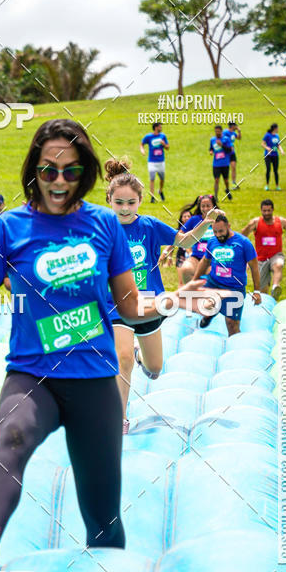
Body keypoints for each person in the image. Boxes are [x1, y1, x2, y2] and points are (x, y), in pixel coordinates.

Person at [0, 118, 170, 563]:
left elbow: (128, 306)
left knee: (102, 513)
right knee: (14, 434)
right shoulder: (9, 229)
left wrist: (175, 301)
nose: (59, 181)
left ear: (84, 174)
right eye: (49, 170)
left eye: (70, 171)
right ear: (34, 171)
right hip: (32, 374)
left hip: (95, 378)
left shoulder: (105, 225)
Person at [104, 158, 220, 431]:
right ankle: (120, 418)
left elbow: (186, 240)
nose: (125, 208)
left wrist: (206, 222)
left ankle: (141, 355)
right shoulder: (102, 228)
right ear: (109, 199)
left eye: (131, 203)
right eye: (119, 202)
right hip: (116, 306)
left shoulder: (149, 226)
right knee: (123, 359)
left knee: (155, 369)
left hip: (148, 305)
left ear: (140, 201)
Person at [178, 213, 262, 337]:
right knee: (200, 304)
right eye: (215, 231)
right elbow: (205, 261)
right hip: (214, 283)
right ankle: (209, 313)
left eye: (221, 231)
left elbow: (254, 268)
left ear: (229, 226)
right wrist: (194, 282)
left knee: (232, 325)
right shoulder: (212, 241)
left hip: (234, 288)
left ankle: (234, 348)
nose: (218, 235)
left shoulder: (243, 243)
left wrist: (257, 291)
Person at [241, 199, 286, 300]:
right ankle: (268, 304)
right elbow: (242, 236)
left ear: (273, 210)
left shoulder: (281, 221)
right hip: (260, 259)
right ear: (261, 211)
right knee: (263, 292)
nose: (266, 213)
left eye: (269, 211)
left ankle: (275, 287)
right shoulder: (256, 223)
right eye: (264, 211)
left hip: (276, 255)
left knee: (278, 265)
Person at [173, 193, 218, 285]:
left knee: (211, 274)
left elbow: (228, 238)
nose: (205, 209)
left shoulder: (219, 219)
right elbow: (179, 236)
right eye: (203, 206)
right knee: (186, 269)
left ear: (214, 206)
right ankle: (191, 296)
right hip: (196, 257)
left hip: (212, 259)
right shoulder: (194, 220)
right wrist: (166, 252)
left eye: (208, 206)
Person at [140, 122, 169, 202]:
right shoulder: (149, 136)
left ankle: (160, 191)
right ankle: (152, 197)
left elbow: (167, 147)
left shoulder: (163, 136)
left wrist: (164, 144)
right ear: (156, 127)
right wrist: (142, 150)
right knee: (152, 178)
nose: (161, 128)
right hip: (152, 162)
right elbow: (141, 144)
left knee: (162, 179)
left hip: (161, 161)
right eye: (160, 126)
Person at [209, 125, 233, 201]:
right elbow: (211, 148)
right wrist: (211, 151)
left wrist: (221, 145)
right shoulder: (212, 139)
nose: (217, 133)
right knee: (216, 180)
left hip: (225, 163)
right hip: (216, 164)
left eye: (218, 131)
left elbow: (230, 150)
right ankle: (215, 196)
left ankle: (227, 190)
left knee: (226, 180)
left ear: (221, 131)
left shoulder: (226, 139)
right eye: (216, 131)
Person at [262, 123, 284, 190]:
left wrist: (281, 151)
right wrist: (267, 148)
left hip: (275, 155)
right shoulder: (267, 135)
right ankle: (267, 185)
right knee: (268, 169)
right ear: (275, 128)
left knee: (275, 171)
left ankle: (277, 186)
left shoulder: (277, 136)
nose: (278, 129)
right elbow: (262, 144)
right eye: (277, 128)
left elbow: (278, 145)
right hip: (268, 155)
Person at [174, 206, 192, 276]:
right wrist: (169, 256)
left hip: (192, 256)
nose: (187, 218)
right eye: (184, 216)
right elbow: (172, 243)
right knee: (181, 280)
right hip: (181, 256)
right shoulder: (178, 231)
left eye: (188, 216)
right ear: (181, 219)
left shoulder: (196, 230)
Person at [226, 121, 241, 189]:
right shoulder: (225, 132)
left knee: (233, 168)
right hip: (226, 153)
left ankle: (234, 183)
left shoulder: (233, 133)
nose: (236, 127)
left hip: (232, 153)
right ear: (232, 126)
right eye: (236, 126)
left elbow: (239, 138)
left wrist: (239, 131)